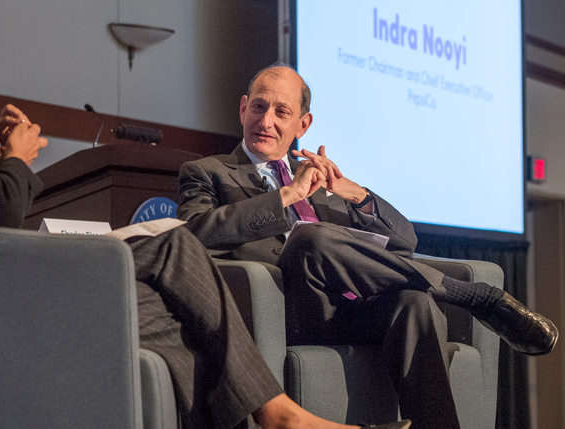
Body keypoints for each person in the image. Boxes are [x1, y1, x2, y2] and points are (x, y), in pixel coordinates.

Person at [0, 0, 411, 429]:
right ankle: (278, 414)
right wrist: (16, 162)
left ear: (304, 125)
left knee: (171, 312)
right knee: (175, 253)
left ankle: (276, 416)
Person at [178, 64, 559, 429]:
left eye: (281, 111)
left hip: (351, 308)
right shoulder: (207, 172)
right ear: (243, 108)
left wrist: (354, 194)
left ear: (302, 125)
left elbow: (406, 240)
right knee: (309, 238)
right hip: (285, 310)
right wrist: (286, 196)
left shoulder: (317, 178)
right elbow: (193, 234)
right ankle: (474, 297)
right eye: (259, 107)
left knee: (415, 302)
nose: (266, 121)